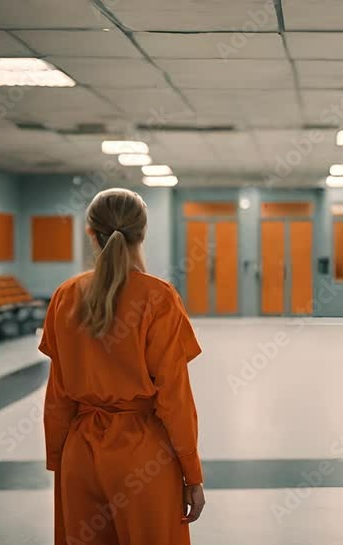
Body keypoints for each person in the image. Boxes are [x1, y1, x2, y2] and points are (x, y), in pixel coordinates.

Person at [41, 188, 205, 545]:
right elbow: (174, 398)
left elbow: (57, 396)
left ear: (91, 233)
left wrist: (59, 460)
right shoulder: (159, 297)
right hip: (143, 460)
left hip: (80, 457)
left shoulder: (65, 296)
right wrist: (192, 474)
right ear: (142, 233)